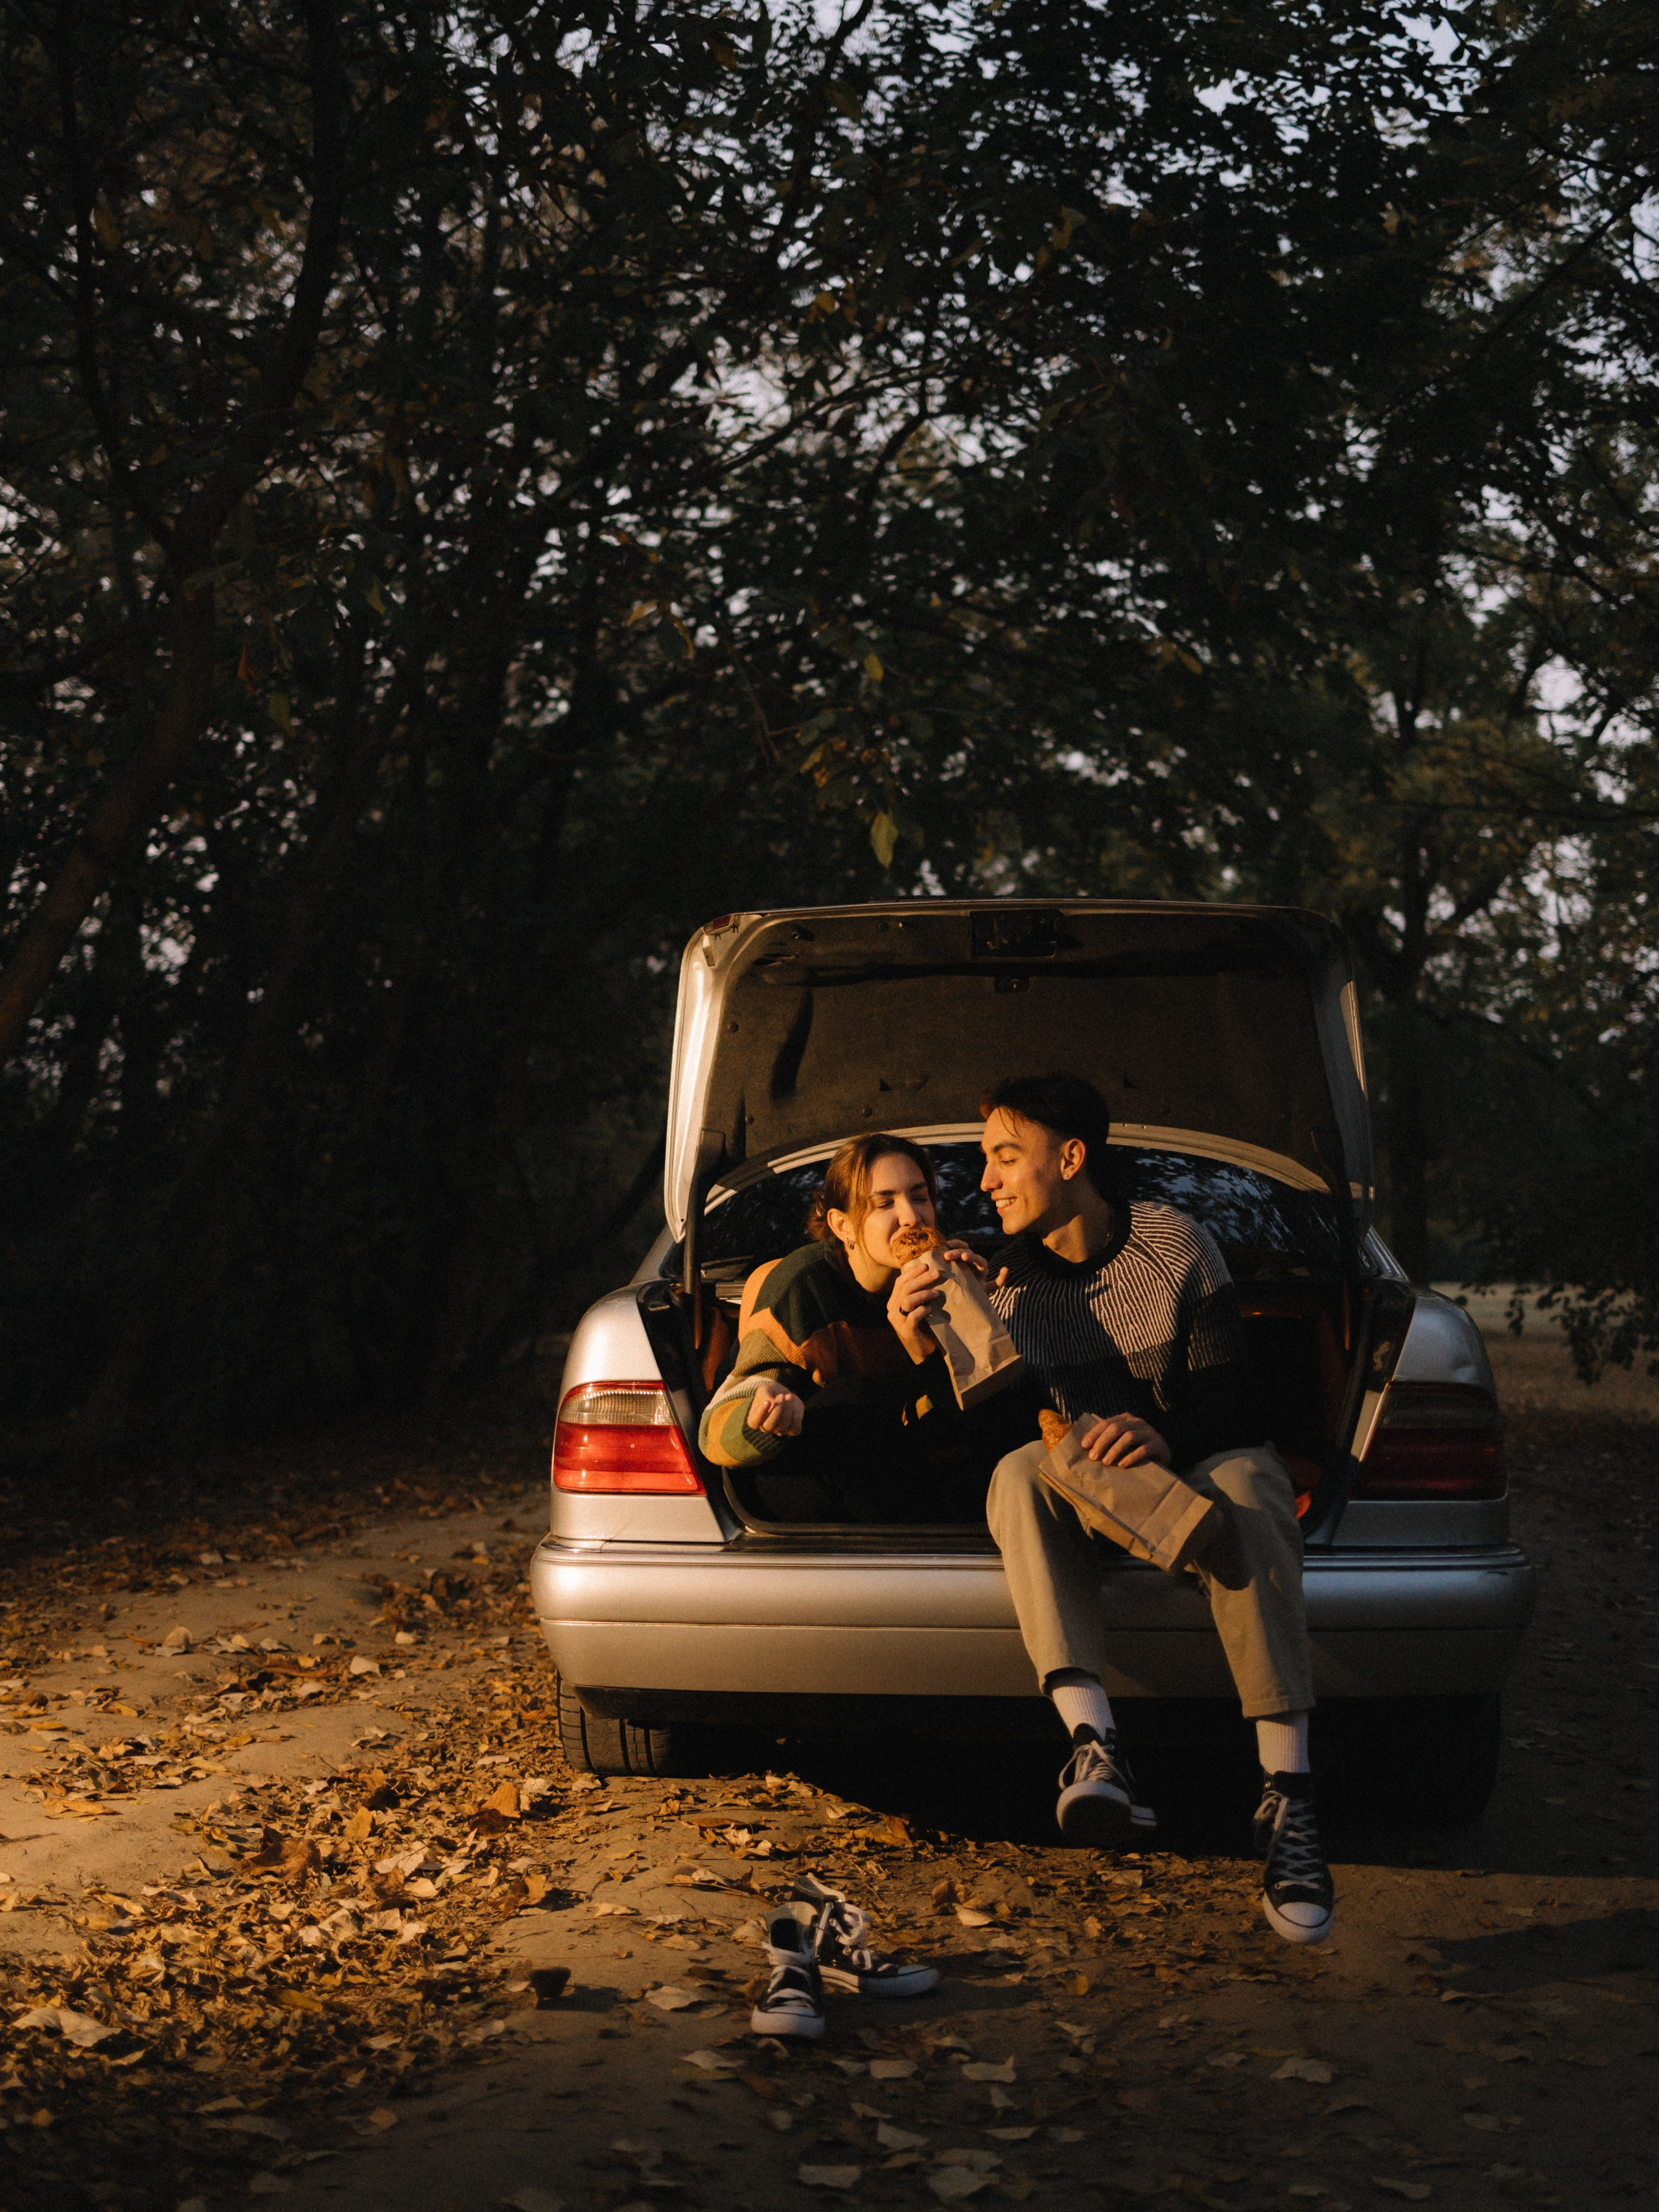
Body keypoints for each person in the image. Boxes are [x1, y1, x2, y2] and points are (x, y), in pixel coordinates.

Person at [979, 1073, 1336, 1947]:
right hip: (1092, 1485)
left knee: (1251, 1486)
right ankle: (1095, 1745)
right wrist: (940, 1330)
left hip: (1198, 1452)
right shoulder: (1006, 1286)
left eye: (1005, 1157)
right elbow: (976, 1434)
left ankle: (1287, 1796)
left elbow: (1234, 1394)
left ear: (1071, 1158)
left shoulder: (1173, 1241)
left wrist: (1163, 1434)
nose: (987, 1180)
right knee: (1018, 1472)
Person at [698, 1132, 999, 1522]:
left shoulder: (949, 1279)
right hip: (800, 1477)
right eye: (885, 1203)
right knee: (858, 1402)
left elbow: (965, 1428)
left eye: (921, 1197)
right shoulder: (803, 1288)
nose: (912, 1217)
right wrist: (764, 1417)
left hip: (908, 1468)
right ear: (843, 1226)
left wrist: (971, 1316)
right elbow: (714, 1432)